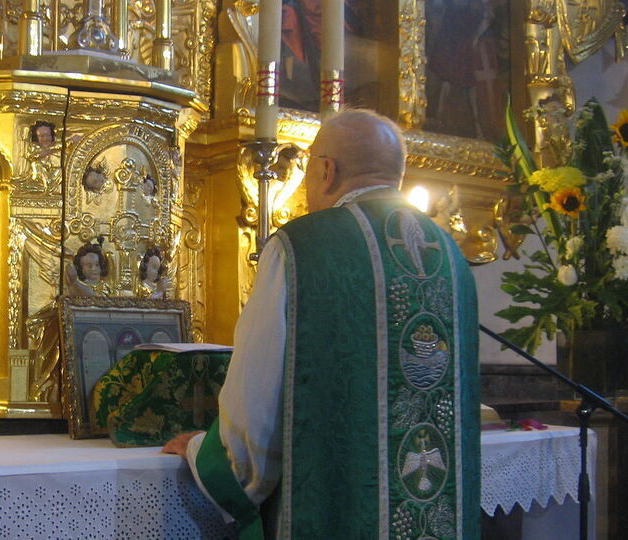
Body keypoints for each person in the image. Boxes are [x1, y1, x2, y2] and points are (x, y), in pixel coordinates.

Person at [163, 109, 480, 538]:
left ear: (327, 171)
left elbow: (257, 395)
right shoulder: (449, 256)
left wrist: (210, 457)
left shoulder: (302, 247)